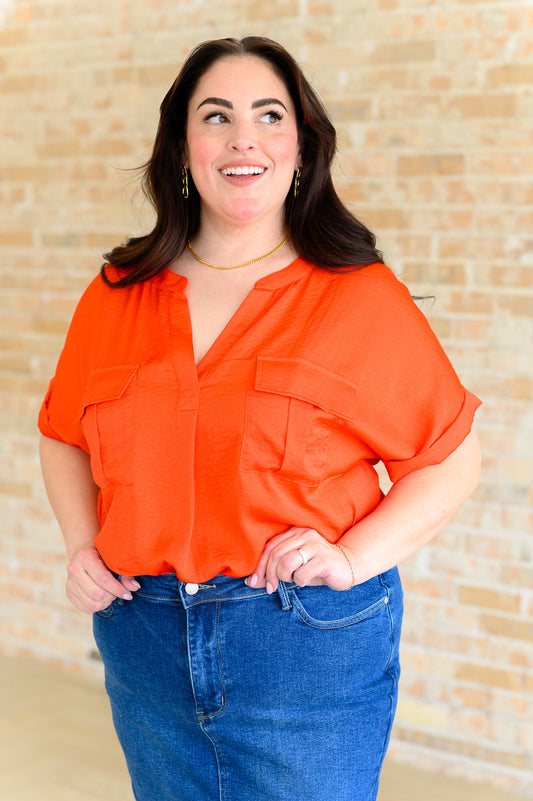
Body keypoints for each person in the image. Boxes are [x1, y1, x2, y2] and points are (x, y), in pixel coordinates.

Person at [38, 35, 482, 801]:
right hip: (143, 639)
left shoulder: (357, 295)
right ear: (182, 146)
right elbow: (62, 434)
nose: (243, 138)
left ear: (300, 147)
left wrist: (350, 559)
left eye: (268, 115)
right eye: (216, 116)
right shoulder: (117, 292)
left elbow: (448, 458)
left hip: (301, 644)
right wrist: (82, 544)